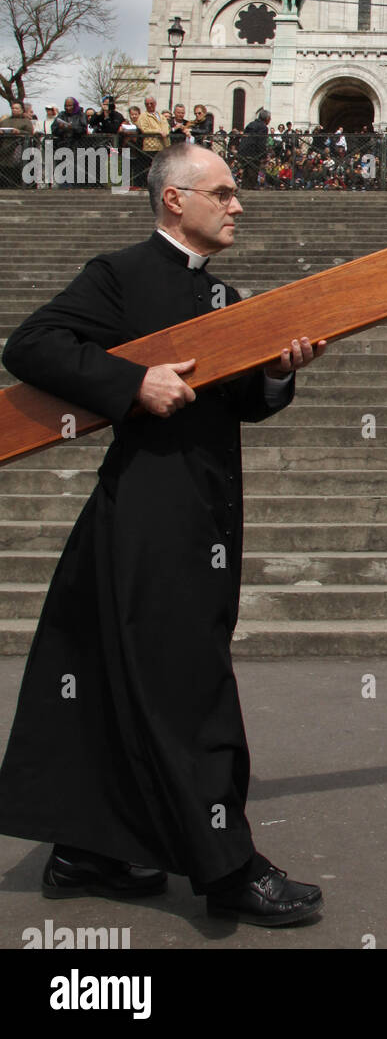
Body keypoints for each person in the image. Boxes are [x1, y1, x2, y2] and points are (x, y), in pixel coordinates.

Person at [0, 143, 328, 925]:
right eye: (223, 192)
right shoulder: (117, 275)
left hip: (204, 502)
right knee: (190, 683)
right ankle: (227, 868)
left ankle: (90, 848)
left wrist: (282, 368)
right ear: (174, 200)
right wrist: (131, 382)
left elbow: (240, 399)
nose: (238, 204)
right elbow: (32, 345)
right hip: (150, 510)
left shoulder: (224, 297)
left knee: (114, 675)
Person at [238, 107, 272, 189]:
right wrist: (264, 155)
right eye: (270, 118)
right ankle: (250, 190)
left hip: (243, 151)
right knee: (252, 174)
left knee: (246, 174)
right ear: (267, 119)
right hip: (253, 153)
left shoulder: (251, 124)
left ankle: (245, 189)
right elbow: (261, 142)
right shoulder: (263, 127)